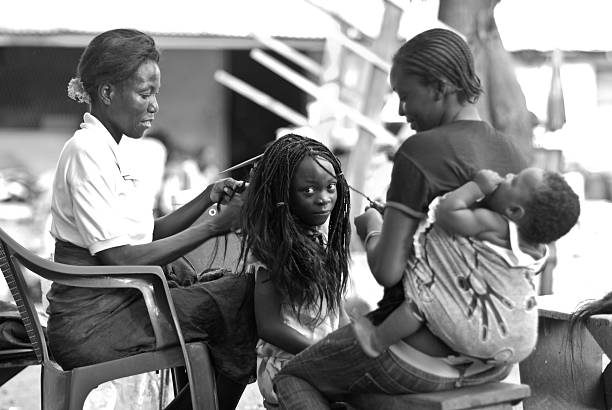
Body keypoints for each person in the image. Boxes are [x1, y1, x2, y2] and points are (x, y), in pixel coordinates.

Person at [273, 28, 533, 409]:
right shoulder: (511, 153)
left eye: (405, 96)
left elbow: (387, 271)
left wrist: (371, 227)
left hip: (419, 356)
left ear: (440, 88)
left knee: (292, 377)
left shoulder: (420, 151)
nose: (399, 111)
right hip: (494, 359)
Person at [48, 29, 255, 410]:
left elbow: (148, 234)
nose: (155, 106)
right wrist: (215, 226)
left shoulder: (112, 151)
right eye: (145, 94)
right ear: (107, 92)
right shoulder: (86, 152)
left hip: (120, 307)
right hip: (95, 323)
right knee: (243, 302)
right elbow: (119, 259)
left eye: (155, 94)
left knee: (229, 293)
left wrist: (207, 197)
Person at [353, 167, 580, 361]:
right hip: (520, 341)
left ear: (513, 211)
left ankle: (376, 340)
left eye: (515, 180)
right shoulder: (537, 251)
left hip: (478, 334)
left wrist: (477, 186)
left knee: (424, 299)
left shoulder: (494, 224)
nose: (508, 175)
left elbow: (447, 213)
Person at [237, 134, 352, 409]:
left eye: (331, 187)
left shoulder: (323, 241)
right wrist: (322, 353)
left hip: (321, 359)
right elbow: (270, 326)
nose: (324, 199)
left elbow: (337, 312)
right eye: (308, 191)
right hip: (285, 365)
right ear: (284, 194)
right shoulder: (272, 249)